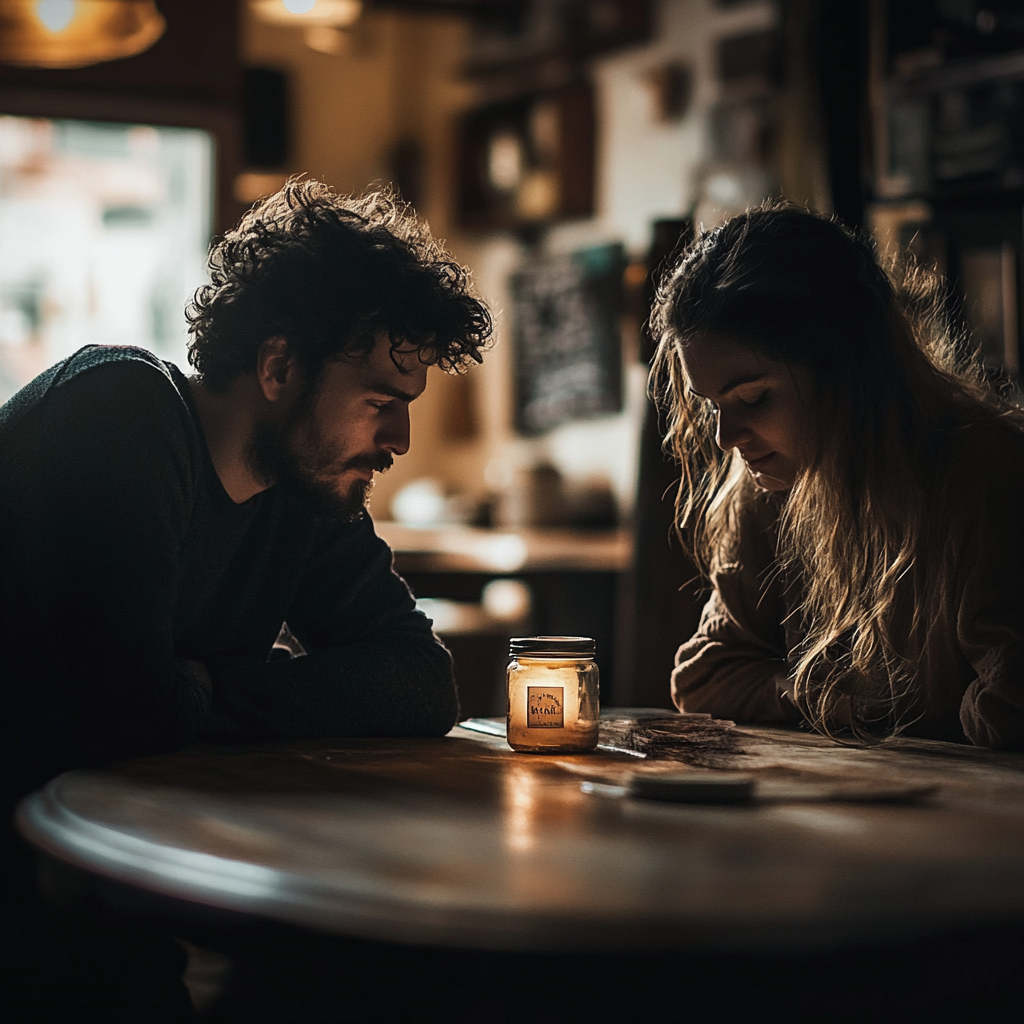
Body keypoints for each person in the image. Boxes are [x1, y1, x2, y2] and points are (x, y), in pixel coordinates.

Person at [0, 179, 490, 1016]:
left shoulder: (307, 493)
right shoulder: (119, 414)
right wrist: (197, 688)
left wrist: (204, 682)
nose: (401, 440)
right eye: (380, 401)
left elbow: (421, 682)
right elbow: (126, 713)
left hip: (95, 888)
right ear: (277, 367)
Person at [649, 200, 1024, 749]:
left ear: (848, 366)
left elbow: (1010, 708)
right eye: (711, 406)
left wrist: (868, 703)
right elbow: (707, 676)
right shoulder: (769, 488)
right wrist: (819, 693)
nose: (726, 438)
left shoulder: (983, 471)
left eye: (752, 398)